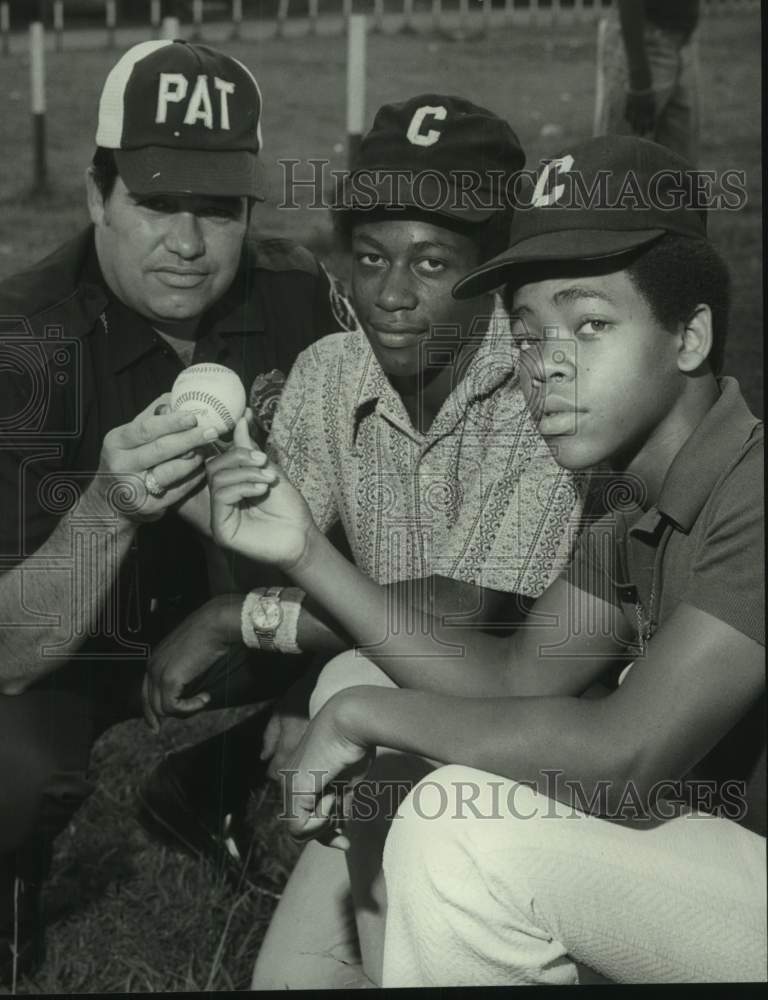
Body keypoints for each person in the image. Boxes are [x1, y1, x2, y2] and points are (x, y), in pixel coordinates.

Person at [207, 135, 765, 985]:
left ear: (689, 338)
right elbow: (513, 680)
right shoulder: (630, 510)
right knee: (428, 773)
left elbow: (625, 757)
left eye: (591, 326)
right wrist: (306, 552)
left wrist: (361, 715)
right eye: (528, 335)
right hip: (721, 862)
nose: (549, 367)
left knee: (458, 828)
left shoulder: (751, 488)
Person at [157, 94, 585, 988]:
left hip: (543, 736)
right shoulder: (331, 368)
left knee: (353, 678)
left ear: (497, 270)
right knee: (288, 984)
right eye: (371, 258)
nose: (391, 295)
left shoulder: (547, 385)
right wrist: (203, 488)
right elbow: (273, 538)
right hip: (390, 722)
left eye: (433, 262)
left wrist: (247, 619)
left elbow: (463, 610)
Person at [0, 38, 349, 983]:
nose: (189, 246)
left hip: (250, 631)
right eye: (156, 203)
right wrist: (108, 510)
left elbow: (382, 530)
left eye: (219, 209)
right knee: (14, 765)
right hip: (77, 649)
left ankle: (212, 787)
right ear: (95, 197)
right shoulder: (24, 342)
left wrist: (299, 680)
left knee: (404, 656)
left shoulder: (302, 296)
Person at [594, 0, 700, 164]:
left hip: (681, 39)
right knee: (620, 167)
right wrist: (638, 79)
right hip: (644, 38)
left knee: (680, 171)